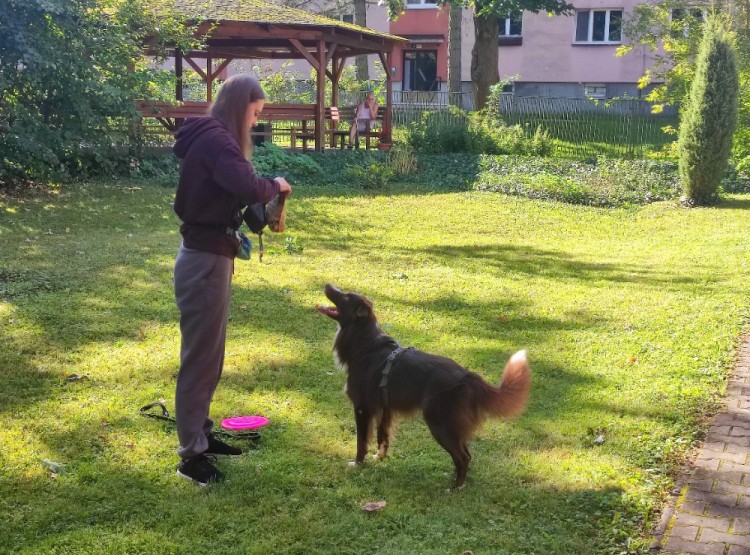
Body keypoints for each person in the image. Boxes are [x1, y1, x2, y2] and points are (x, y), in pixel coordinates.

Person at [171, 74, 292, 486]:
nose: (255, 122)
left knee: (210, 356)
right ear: (240, 106)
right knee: (200, 359)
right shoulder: (217, 141)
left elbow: (236, 193)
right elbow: (246, 184)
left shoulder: (214, 137)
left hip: (211, 256)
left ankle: (201, 436)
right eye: (255, 114)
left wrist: (263, 204)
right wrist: (274, 184)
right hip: (204, 259)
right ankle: (191, 457)